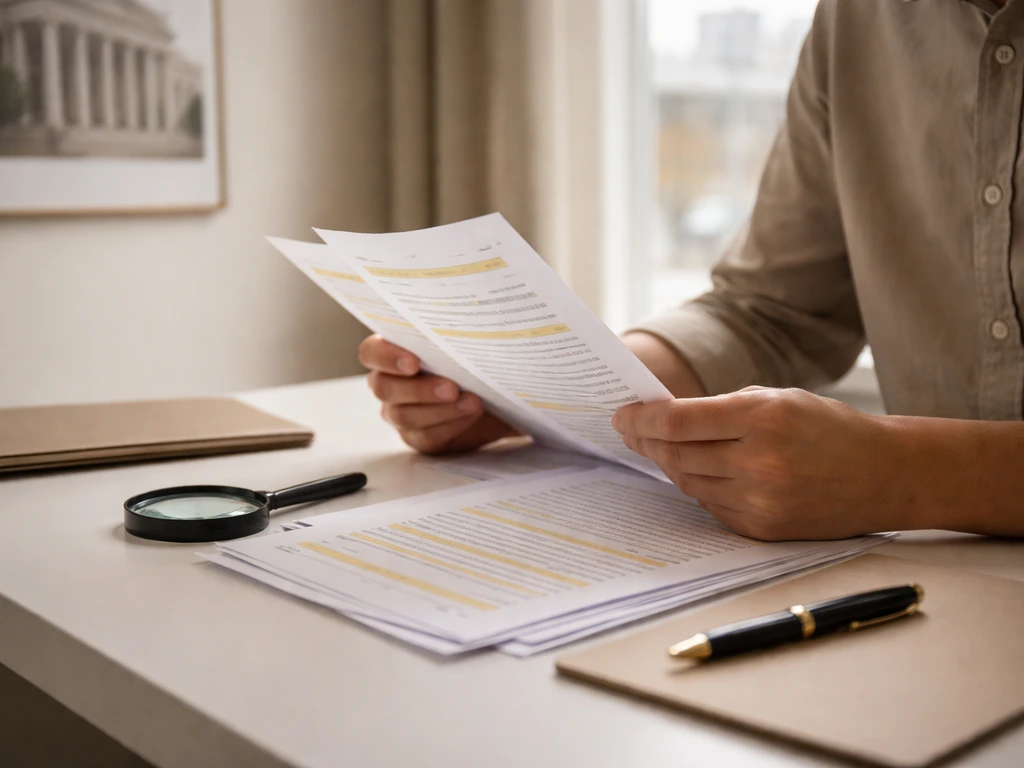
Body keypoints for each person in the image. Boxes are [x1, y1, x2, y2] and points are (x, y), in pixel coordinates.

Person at [360, 0, 1024, 540]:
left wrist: (906, 476)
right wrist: (534, 394)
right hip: (945, 582)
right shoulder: (856, 21)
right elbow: (769, 312)